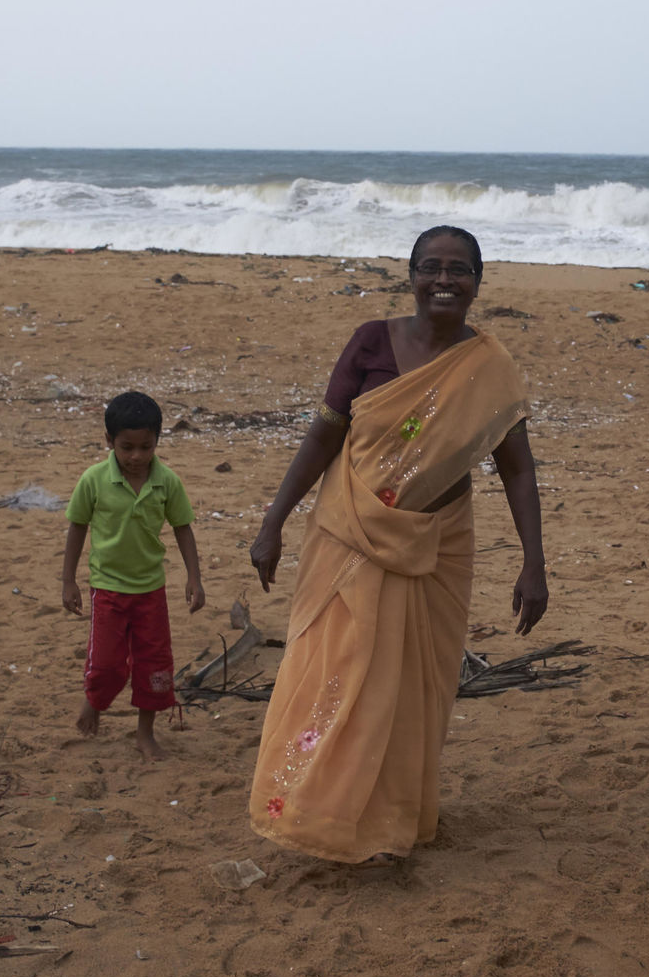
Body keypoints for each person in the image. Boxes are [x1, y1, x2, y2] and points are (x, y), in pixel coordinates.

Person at [246, 225, 549, 862]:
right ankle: (313, 808)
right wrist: (273, 522)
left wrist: (534, 562)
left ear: (477, 282)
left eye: (459, 269)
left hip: (438, 546)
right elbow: (323, 437)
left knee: (413, 684)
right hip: (350, 532)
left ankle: (388, 821)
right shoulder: (370, 342)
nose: (445, 279)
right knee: (341, 669)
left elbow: (516, 467)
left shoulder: (487, 368)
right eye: (431, 267)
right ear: (410, 275)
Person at [62, 390, 203, 761]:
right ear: (109, 441)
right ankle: (95, 701)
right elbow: (77, 527)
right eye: (127, 447)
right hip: (106, 590)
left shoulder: (167, 482)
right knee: (106, 662)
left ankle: (145, 734)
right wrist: (68, 580)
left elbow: (183, 528)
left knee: (154, 666)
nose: (136, 456)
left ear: (158, 441)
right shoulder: (93, 480)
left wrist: (194, 578)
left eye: (145, 446)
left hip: (151, 592)